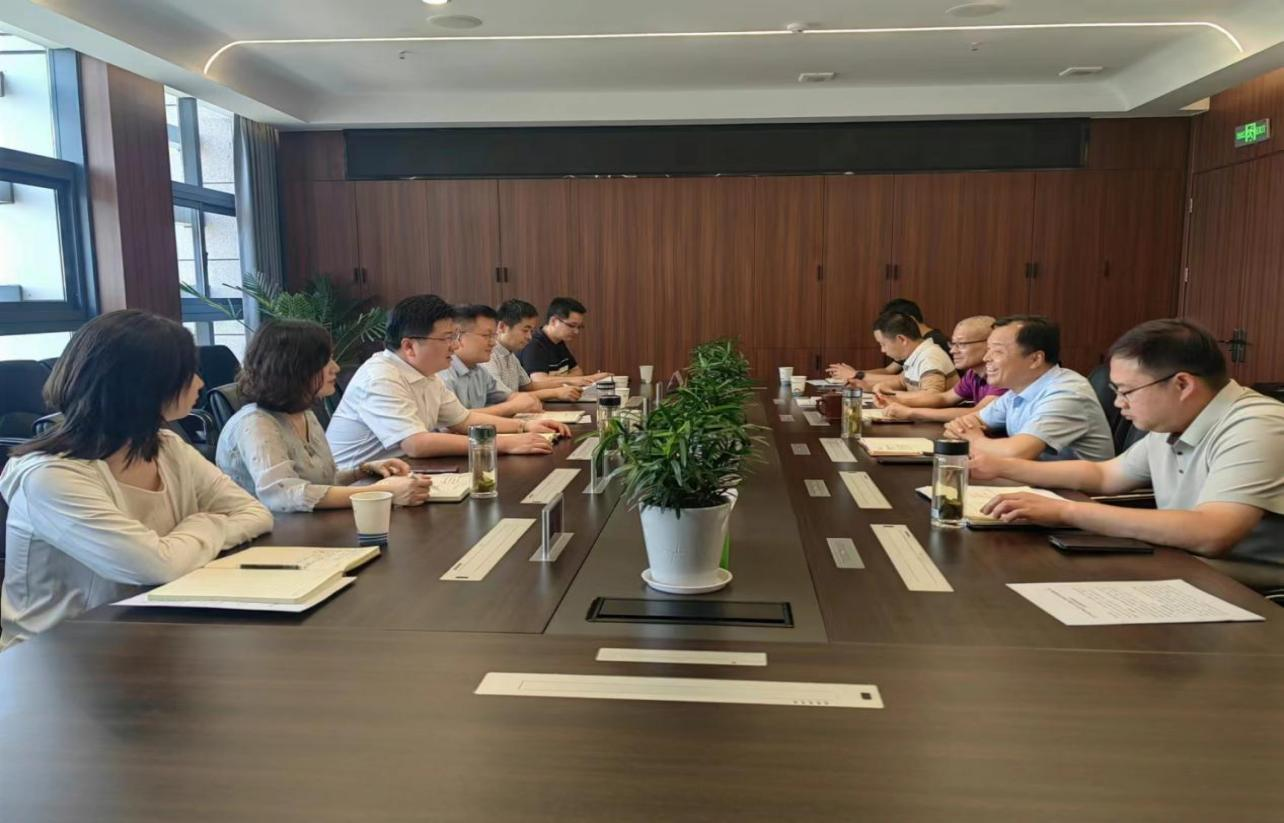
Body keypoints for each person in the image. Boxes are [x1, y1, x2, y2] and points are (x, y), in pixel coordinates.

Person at [0, 310, 273, 649]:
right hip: (53, 658)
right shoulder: (50, 477)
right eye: (186, 374)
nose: (200, 383)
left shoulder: (167, 446)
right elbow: (156, 567)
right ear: (143, 385)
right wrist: (207, 522)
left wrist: (181, 544)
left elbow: (256, 513)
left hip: (146, 633)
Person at [971, 319, 1284, 589]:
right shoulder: (1175, 420)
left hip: (1247, 589)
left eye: (1126, 391)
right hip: (1180, 563)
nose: (1119, 403)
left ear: (1182, 385)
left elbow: (1212, 532)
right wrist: (1000, 467)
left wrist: (1067, 511)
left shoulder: (1258, 425)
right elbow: (1104, 475)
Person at [326, 294, 572, 467]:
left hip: (401, 474)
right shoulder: (380, 377)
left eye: (455, 337)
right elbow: (417, 444)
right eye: (446, 338)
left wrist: (524, 427)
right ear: (409, 346)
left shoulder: (427, 374)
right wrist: (506, 443)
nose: (455, 346)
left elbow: (463, 420)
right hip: (358, 492)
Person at [217, 320, 434, 512]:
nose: (335, 368)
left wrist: (363, 471)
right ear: (293, 367)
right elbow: (283, 495)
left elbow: (321, 483)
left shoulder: (305, 413)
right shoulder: (255, 424)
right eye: (325, 361)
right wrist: (378, 492)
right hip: (269, 537)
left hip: (306, 529)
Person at [943, 315, 1113, 461]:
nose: (986, 358)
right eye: (988, 349)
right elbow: (962, 424)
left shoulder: (1067, 393)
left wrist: (975, 439)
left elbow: (1016, 452)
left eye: (998, 351)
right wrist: (968, 432)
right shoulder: (1017, 391)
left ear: (1035, 359)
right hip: (1035, 481)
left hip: (1073, 489)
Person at [876, 315, 1006, 422]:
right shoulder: (973, 373)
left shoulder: (1003, 374)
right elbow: (944, 398)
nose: (953, 350)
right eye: (953, 344)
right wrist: (894, 400)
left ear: (989, 343)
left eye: (961, 344)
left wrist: (911, 412)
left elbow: (978, 413)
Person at [439, 304, 547, 416]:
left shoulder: (480, 371)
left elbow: (507, 396)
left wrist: (524, 400)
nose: (493, 343)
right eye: (486, 335)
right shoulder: (443, 374)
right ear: (458, 336)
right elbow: (455, 419)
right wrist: (512, 407)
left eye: (494, 336)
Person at [827, 298, 951, 387]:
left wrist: (857, 374)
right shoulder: (915, 350)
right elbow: (898, 378)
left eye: (883, 344)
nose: (882, 350)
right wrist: (858, 378)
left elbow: (931, 397)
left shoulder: (931, 349)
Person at [484, 299, 583, 402]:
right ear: (502, 327)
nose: (529, 337)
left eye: (531, 331)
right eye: (525, 330)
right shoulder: (488, 356)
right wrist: (556, 392)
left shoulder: (510, 355)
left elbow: (529, 386)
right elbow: (505, 396)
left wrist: (570, 383)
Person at [518, 296, 611, 383]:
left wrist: (557, 379)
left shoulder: (558, 342)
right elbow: (540, 380)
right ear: (554, 321)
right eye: (572, 325)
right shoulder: (533, 344)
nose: (576, 331)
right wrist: (590, 378)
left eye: (579, 327)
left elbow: (578, 372)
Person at [862, 312, 957, 395]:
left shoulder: (930, 357)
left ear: (902, 339)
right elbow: (901, 382)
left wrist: (894, 396)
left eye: (883, 344)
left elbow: (932, 395)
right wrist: (866, 386)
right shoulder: (917, 354)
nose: (882, 350)